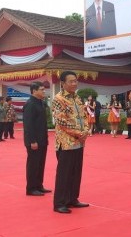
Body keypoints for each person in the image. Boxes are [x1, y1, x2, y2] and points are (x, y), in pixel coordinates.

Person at [52, 71, 90, 214]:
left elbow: (84, 116)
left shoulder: (77, 98)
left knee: (76, 172)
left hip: (79, 142)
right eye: (71, 81)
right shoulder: (58, 99)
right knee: (64, 173)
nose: (74, 83)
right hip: (66, 142)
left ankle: (73, 199)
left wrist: (85, 130)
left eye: (75, 81)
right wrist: (79, 134)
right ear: (63, 83)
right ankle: (59, 203)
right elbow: (62, 122)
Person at [23, 81, 51, 196]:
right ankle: (31, 188)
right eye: (42, 89)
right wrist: (32, 141)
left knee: (40, 164)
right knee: (33, 164)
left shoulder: (41, 103)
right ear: (34, 91)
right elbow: (28, 125)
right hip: (34, 140)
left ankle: (39, 185)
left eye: (44, 89)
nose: (44, 91)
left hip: (42, 139)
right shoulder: (30, 104)